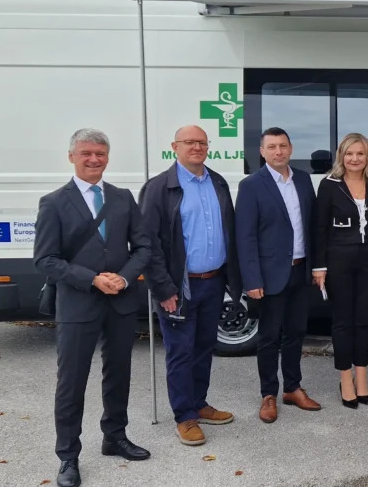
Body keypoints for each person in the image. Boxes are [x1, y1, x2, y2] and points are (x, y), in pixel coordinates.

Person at [35, 129, 152, 487]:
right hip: (77, 303)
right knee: (71, 381)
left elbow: (144, 247)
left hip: (119, 302)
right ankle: (68, 456)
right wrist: (91, 279)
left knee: (119, 373)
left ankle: (114, 437)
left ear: (107, 157)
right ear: (71, 156)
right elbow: (46, 259)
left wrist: (124, 277)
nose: (94, 159)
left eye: (100, 153)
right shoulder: (54, 202)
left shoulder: (122, 197)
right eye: (86, 153)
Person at [139, 125, 240, 447]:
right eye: (189, 142)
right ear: (175, 147)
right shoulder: (159, 188)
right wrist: (163, 289)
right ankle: (184, 416)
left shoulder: (218, 182)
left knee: (203, 348)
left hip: (213, 283)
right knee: (180, 353)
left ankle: (199, 402)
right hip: (178, 289)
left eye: (201, 142)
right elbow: (148, 245)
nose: (196, 147)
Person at [236, 127, 322, 423]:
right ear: (262, 151)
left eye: (282, 146)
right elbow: (244, 236)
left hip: (301, 272)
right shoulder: (251, 186)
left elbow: (311, 226)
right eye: (271, 147)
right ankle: (268, 394)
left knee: (296, 333)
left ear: (291, 148)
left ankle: (293, 387)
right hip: (269, 276)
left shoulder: (302, 179)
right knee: (269, 336)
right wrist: (252, 280)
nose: (278, 152)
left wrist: (316, 266)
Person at [312, 133, 368, 409]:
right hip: (338, 259)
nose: (355, 159)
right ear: (342, 157)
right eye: (349, 154)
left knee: (363, 320)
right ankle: (345, 380)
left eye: (360, 154)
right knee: (342, 322)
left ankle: (362, 378)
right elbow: (320, 228)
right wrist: (319, 266)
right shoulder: (329, 185)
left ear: (367, 156)